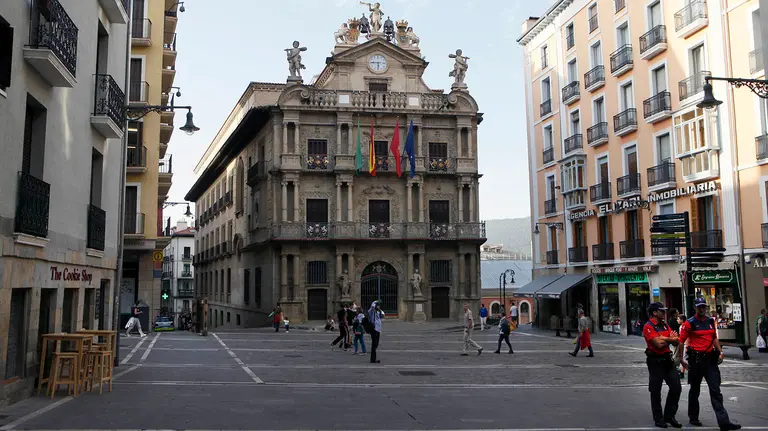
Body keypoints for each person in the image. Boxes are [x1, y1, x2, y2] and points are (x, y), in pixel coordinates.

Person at [678, 297, 741, 430]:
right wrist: (681, 360)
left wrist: (720, 351)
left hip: (710, 360)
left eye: (704, 306)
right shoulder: (689, 323)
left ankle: (724, 422)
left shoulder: (710, 321)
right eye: (700, 307)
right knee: (695, 390)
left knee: (716, 390)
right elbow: (681, 341)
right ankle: (693, 417)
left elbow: (714, 338)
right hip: (696, 360)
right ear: (695, 308)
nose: (702, 309)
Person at [643, 302, 682, 429]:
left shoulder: (665, 325)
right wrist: (669, 339)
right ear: (655, 312)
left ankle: (669, 415)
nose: (664, 313)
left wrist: (663, 338)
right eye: (662, 311)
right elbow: (657, 344)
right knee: (655, 390)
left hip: (667, 359)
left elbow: (677, 340)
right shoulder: (648, 326)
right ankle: (658, 418)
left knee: (676, 387)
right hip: (655, 361)